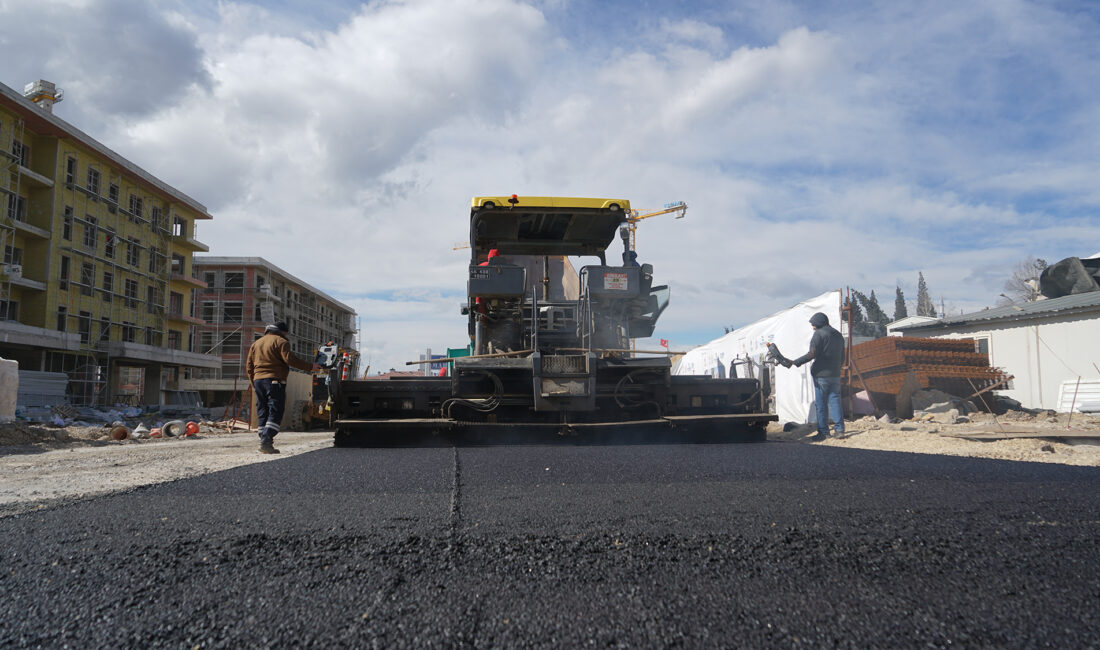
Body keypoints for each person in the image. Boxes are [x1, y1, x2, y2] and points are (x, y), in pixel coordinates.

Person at [245, 321, 320, 454]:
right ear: (282, 332)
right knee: (276, 409)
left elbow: (249, 367)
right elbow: (290, 360)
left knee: (263, 410)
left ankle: (264, 440)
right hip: (274, 380)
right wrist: (310, 366)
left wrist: (254, 383)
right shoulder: (281, 342)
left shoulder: (256, 344)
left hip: (258, 381)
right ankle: (266, 441)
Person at [787, 312, 845, 441]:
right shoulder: (838, 335)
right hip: (835, 374)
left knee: (821, 404)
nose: (812, 327)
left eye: (813, 325)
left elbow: (811, 354)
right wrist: (837, 368)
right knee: (835, 401)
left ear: (818, 324)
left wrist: (795, 362)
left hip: (821, 374)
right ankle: (840, 430)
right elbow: (842, 357)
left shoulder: (819, 334)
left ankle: (823, 432)